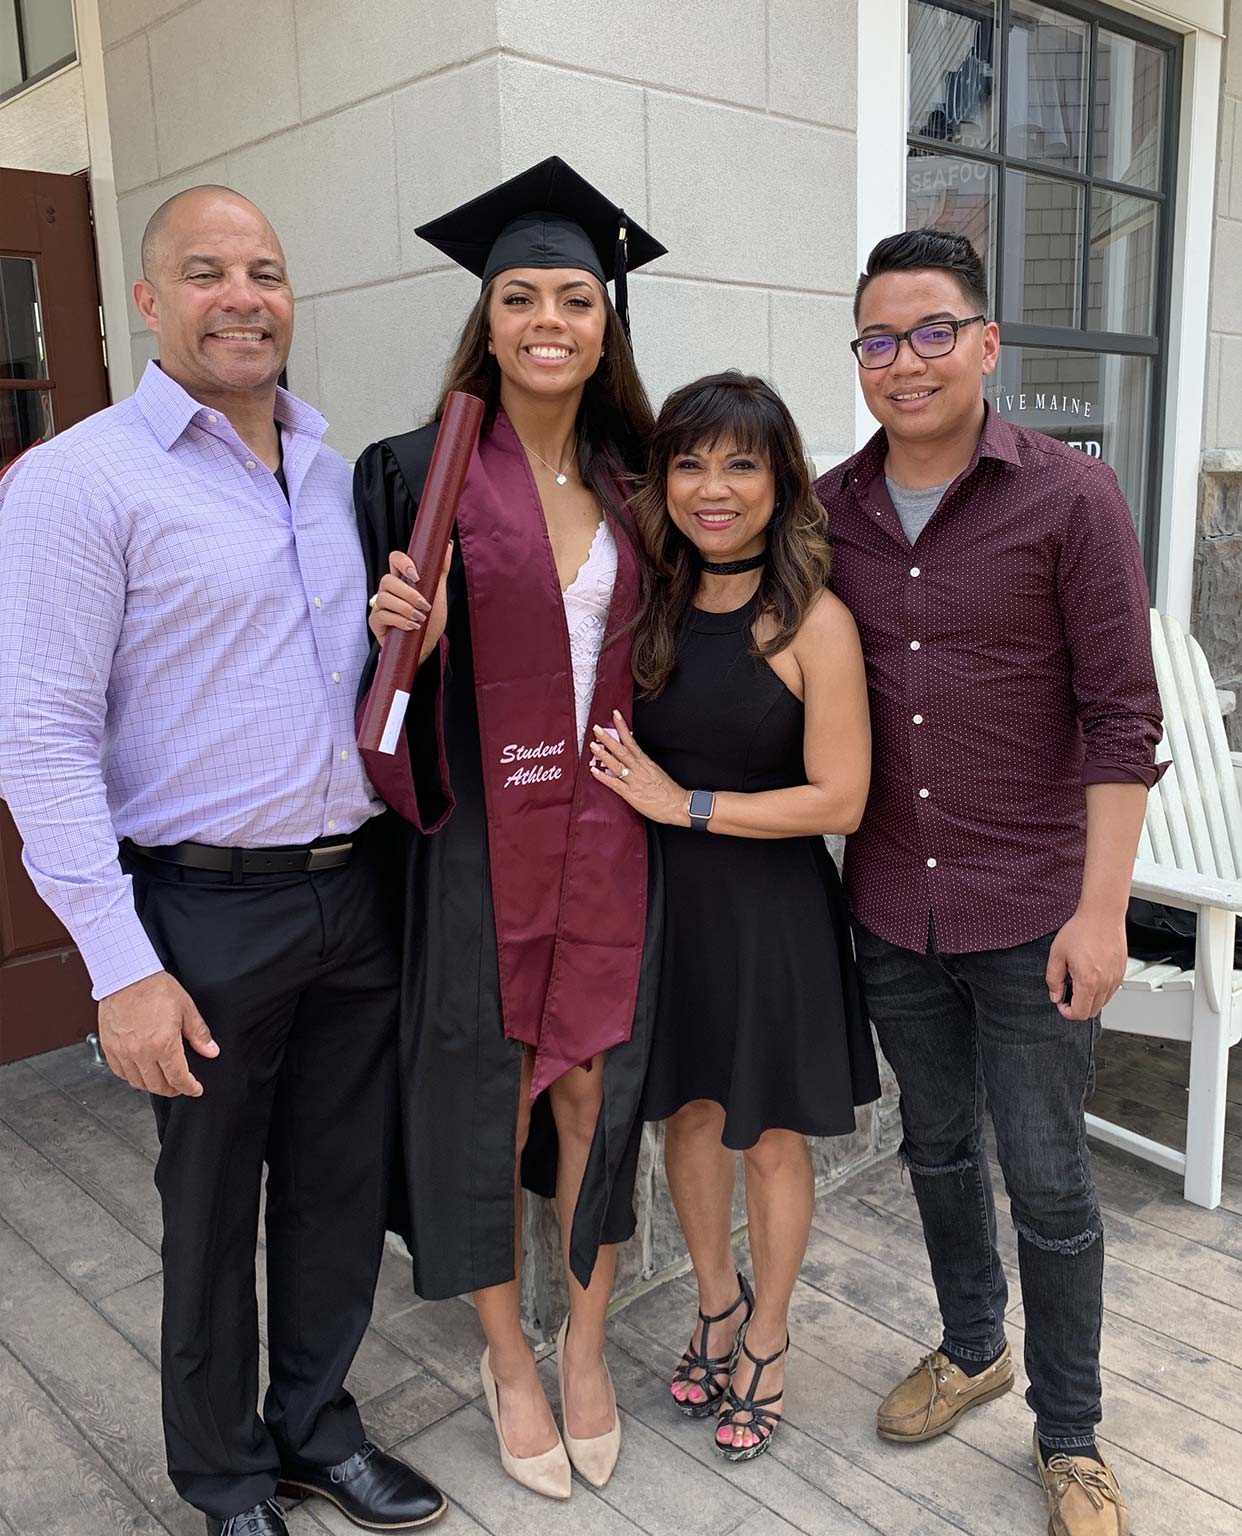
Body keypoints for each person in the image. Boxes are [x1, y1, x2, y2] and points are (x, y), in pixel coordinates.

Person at [0, 186, 445, 1536]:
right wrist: (119, 968)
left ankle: (314, 1426)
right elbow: (40, 735)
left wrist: (398, 642)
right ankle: (221, 1470)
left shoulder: (332, 470)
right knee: (208, 1210)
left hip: (350, 891)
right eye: (205, 272)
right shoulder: (80, 481)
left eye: (265, 268)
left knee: (334, 1190)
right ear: (148, 301)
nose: (242, 295)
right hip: (198, 909)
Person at [817, 229, 1164, 1536]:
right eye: (875, 340)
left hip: (1033, 913)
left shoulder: (1070, 497)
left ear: (982, 344)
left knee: (1049, 1178)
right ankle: (973, 1345)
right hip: (893, 909)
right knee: (935, 1147)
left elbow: (1119, 716)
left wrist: (1100, 908)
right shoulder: (829, 507)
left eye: (927, 333)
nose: (900, 362)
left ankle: (1068, 1436)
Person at [358, 157, 663, 1500]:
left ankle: (584, 1337)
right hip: (478, 836)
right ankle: (505, 1350)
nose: (549, 320)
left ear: (607, 325)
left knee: (597, 1081)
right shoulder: (410, 477)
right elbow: (368, 700)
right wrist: (395, 651)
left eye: (577, 298)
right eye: (520, 296)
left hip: (612, 830)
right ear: (484, 318)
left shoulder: (642, 478)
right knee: (483, 1087)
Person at [588, 371, 879, 1462]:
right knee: (692, 1120)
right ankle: (715, 1299)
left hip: (769, 914)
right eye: (692, 462)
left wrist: (685, 803)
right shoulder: (649, 606)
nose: (715, 487)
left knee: (768, 1135)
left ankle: (766, 1335)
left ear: (779, 481)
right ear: (663, 481)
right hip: (666, 911)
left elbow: (840, 799)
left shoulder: (814, 622)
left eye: (742, 463)